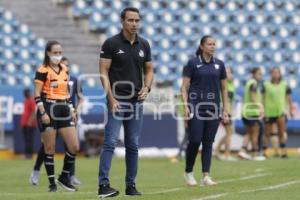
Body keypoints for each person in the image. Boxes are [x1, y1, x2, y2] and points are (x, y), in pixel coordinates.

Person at [98, 7, 154, 198]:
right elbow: (103, 72)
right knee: (110, 142)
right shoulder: (111, 43)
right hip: (117, 99)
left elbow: (149, 69)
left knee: (133, 145)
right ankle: (103, 186)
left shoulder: (144, 44)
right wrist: (110, 98)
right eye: (130, 20)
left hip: (136, 101)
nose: (134, 24)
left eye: (137, 20)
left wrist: (147, 87)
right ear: (122, 21)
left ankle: (131, 186)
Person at [181, 35, 229, 186]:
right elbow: (184, 87)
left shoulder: (220, 65)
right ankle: (188, 171)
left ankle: (205, 176)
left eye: (214, 44)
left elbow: (224, 88)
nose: (213, 46)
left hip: (214, 109)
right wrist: (185, 106)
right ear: (202, 46)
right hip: (196, 107)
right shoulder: (193, 63)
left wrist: (225, 109)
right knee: (195, 140)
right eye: (209, 44)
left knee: (208, 143)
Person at [34, 40, 79, 192]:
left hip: (63, 108)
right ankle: (52, 183)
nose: (58, 56)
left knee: (74, 146)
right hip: (48, 107)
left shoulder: (65, 69)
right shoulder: (43, 70)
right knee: (50, 148)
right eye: (55, 53)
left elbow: (66, 92)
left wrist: (71, 109)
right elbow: (36, 94)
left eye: (60, 53)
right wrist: (42, 112)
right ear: (48, 53)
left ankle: (64, 177)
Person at [262, 67, 293, 158]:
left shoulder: (284, 84)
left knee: (281, 132)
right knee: (267, 133)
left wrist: (290, 109)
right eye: (274, 72)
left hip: (280, 112)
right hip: (268, 112)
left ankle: (283, 152)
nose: (275, 74)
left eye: (277, 72)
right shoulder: (266, 84)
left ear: (280, 74)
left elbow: (288, 98)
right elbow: (262, 98)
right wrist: (262, 109)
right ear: (271, 74)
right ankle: (265, 152)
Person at [241, 67, 265, 161]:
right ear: (254, 74)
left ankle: (242, 151)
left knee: (249, 133)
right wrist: (260, 108)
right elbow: (253, 97)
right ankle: (255, 154)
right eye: (259, 74)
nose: (260, 76)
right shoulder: (254, 84)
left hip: (246, 112)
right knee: (255, 134)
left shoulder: (248, 83)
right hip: (252, 112)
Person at [215, 67, 237, 161]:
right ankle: (226, 154)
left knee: (230, 132)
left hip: (229, 110)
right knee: (229, 132)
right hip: (224, 110)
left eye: (229, 72)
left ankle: (217, 150)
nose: (229, 75)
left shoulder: (231, 84)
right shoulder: (223, 84)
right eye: (226, 72)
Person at [20, 88, 37, 159]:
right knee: (27, 139)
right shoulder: (25, 101)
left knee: (29, 139)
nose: (26, 94)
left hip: (30, 124)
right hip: (24, 123)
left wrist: (29, 122)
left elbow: (34, 111)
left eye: (27, 93)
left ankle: (29, 154)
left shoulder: (32, 101)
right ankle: (27, 154)